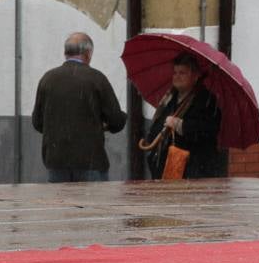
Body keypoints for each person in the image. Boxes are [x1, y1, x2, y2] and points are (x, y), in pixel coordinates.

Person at [31, 32, 127, 183]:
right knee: (91, 206)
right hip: (90, 160)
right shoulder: (96, 79)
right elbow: (116, 121)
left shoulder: (48, 79)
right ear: (88, 53)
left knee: (62, 206)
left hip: (56, 161)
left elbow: (37, 122)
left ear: (65, 53)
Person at [141, 53, 226, 179]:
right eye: (175, 73)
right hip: (169, 171)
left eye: (182, 73)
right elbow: (157, 127)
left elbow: (208, 130)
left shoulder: (206, 100)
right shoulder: (170, 99)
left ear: (195, 76)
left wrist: (180, 125)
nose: (177, 77)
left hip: (195, 171)